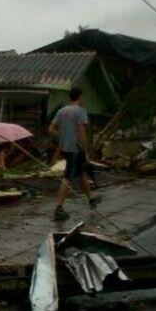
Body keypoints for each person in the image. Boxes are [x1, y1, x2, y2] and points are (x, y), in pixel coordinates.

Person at [49, 86, 100, 221]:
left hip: (66, 148)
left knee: (81, 173)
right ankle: (58, 208)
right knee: (68, 177)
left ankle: (91, 199)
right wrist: (86, 147)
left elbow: (51, 129)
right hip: (75, 149)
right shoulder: (80, 111)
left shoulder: (61, 111)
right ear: (80, 97)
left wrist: (63, 135)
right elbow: (81, 131)